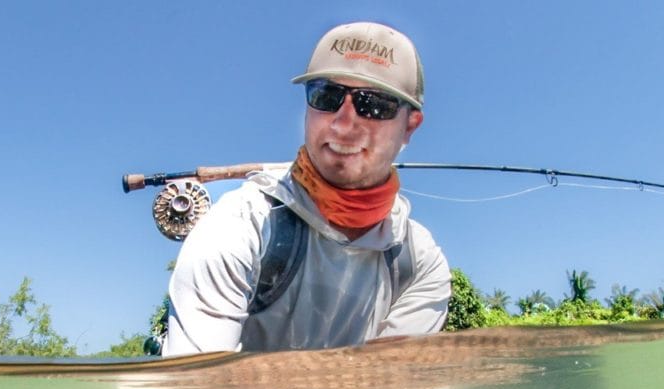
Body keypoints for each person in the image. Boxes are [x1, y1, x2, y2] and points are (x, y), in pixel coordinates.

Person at [162, 21, 450, 357]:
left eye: (375, 105)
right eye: (326, 96)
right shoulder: (240, 223)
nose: (343, 124)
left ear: (409, 127)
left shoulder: (419, 262)